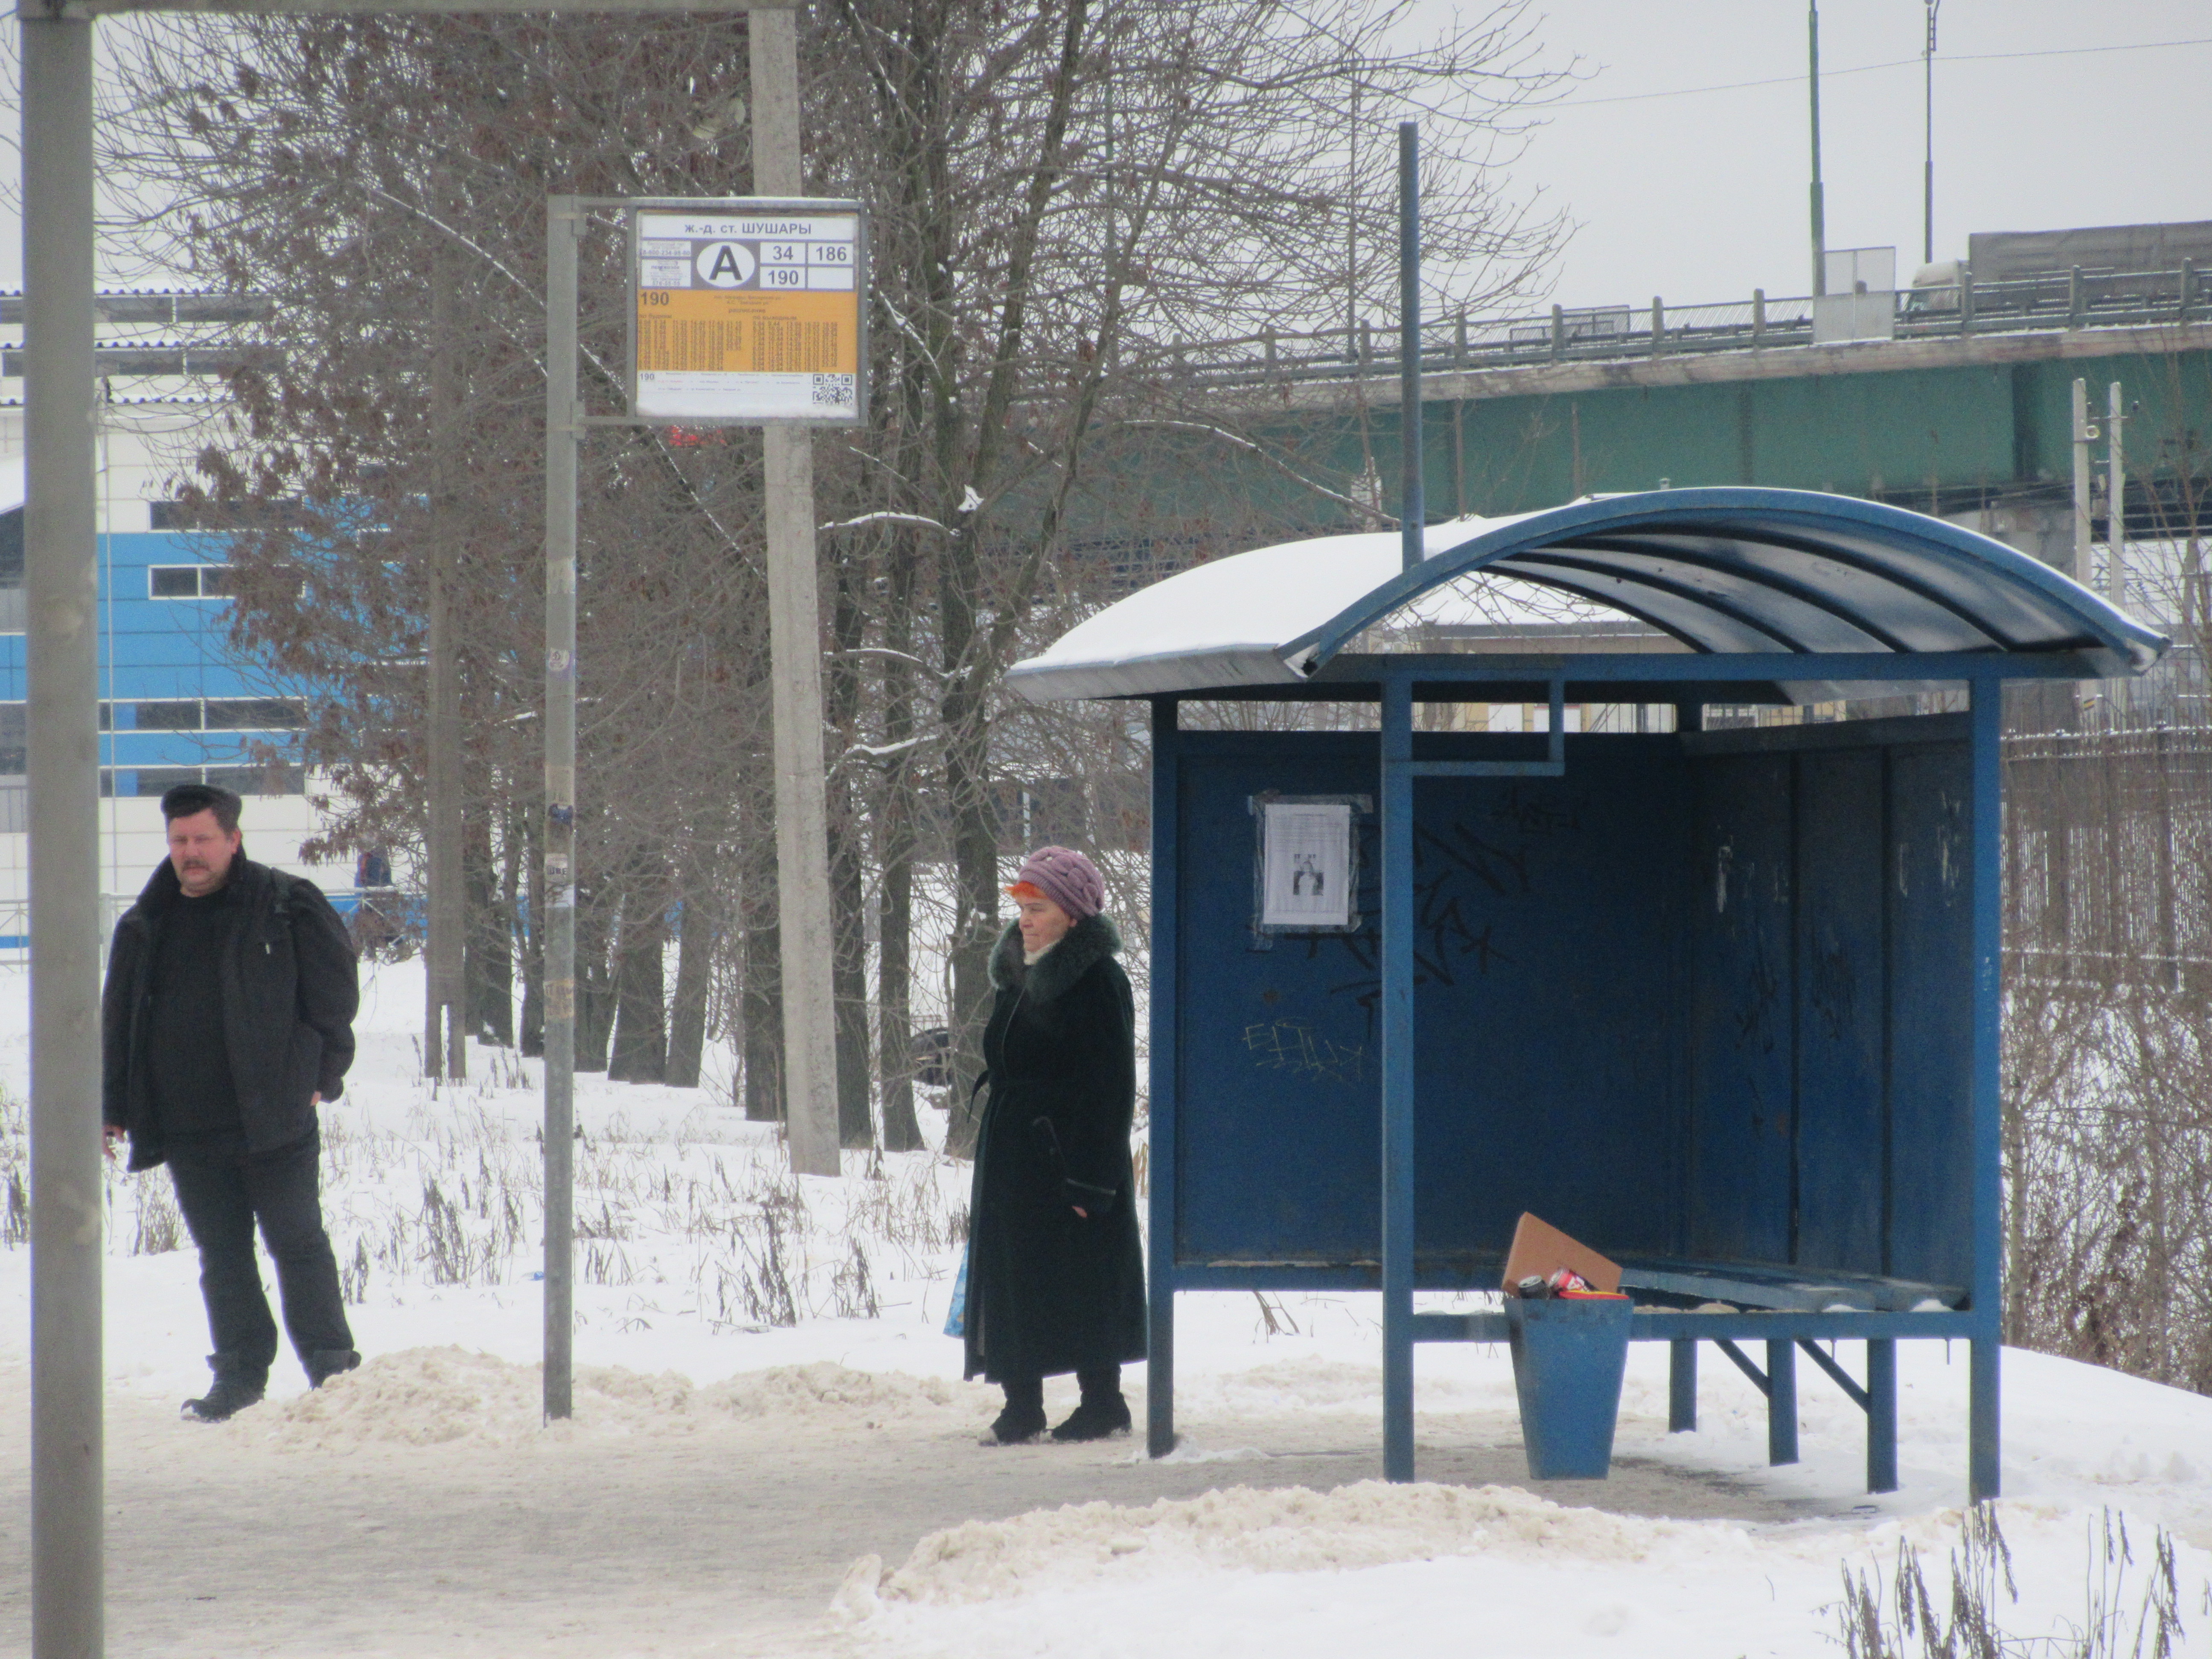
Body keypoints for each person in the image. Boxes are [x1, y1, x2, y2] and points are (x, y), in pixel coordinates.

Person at [101, 782, 364, 1423]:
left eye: (202, 839)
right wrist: (113, 1105)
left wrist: (323, 1076)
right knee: (222, 1256)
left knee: (297, 1243)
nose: (190, 853)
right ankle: (240, 1377)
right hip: (189, 1127)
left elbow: (334, 998)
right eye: (180, 840)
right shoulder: (145, 924)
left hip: (273, 1117)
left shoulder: (284, 905)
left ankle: (333, 1371)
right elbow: (119, 1022)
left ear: (233, 839)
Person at [964, 845, 1147, 1444]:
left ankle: (1104, 1403)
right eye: (1021, 905)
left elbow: (1111, 1084)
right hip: (1015, 1154)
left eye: (1038, 907)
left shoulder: (1097, 980)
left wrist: (1092, 1179)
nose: (1025, 918)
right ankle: (1023, 1405)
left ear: (1073, 915)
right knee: (1016, 1275)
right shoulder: (1017, 975)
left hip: (1072, 1153)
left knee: (1085, 1274)